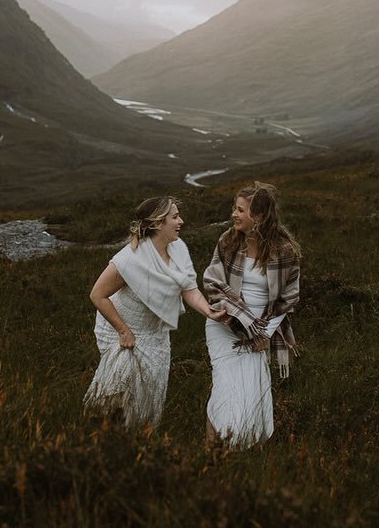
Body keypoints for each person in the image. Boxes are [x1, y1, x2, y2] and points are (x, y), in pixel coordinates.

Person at [84, 195, 226, 427]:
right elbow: (97, 295)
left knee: (149, 392)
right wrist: (123, 331)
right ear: (158, 223)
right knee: (119, 396)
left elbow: (188, 289)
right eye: (175, 217)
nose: (181, 221)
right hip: (123, 331)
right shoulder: (128, 259)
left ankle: (142, 439)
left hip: (155, 333)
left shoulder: (177, 250)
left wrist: (208, 311)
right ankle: (107, 437)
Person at [202, 182, 301, 447]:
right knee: (225, 386)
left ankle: (241, 449)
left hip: (260, 333)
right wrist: (237, 316)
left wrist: (264, 334)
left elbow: (288, 298)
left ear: (258, 216)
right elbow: (212, 281)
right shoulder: (228, 241)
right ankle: (211, 451)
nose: (234, 214)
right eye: (234, 208)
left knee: (250, 390)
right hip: (225, 327)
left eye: (240, 210)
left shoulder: (284, 251)